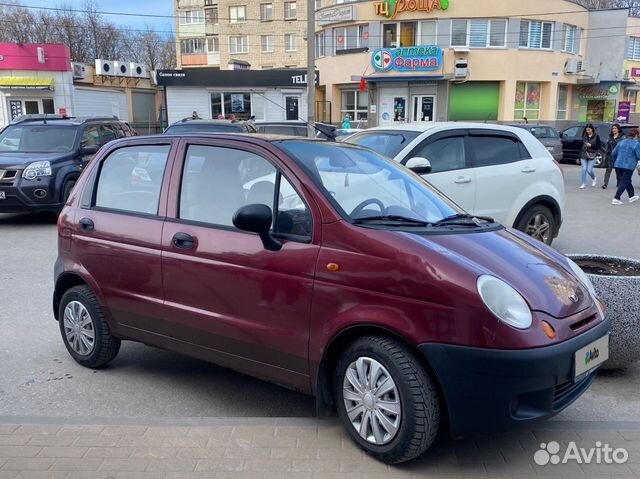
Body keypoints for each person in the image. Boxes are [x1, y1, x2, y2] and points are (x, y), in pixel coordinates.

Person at [611, 127, 640, 205]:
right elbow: (639, 156)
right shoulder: (636, 144)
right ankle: (616, 198)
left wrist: (616, 161)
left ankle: (631, 196)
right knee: (624, 182)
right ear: (636, 135)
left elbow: (613, 153)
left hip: (618, 165)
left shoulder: (621, 142)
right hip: (629, 166)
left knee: (627, 181)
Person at [602, 124, 625, 189]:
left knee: (618, 170)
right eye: (613, 128)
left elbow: (623, 147)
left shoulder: (622, 137)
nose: (614, 130)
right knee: (608, 169)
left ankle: (618, 183)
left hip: (618, 156)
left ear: (618, 129)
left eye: (615, 128)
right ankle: (605, 184)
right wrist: (605, 154)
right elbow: (607, 146)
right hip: (610, 155)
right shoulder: (610, 137)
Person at [579, 124, 601, 189]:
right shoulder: (584, 136)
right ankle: (583, 183)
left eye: (589, 130)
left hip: (592, 154)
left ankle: (594, 178)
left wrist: (591, 145)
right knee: (584, 169)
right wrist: (578, 157)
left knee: (589, 170)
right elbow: (580, 147)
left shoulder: (596, 136)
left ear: (592, 129)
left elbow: (599, 147)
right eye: (586, 130)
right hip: (583, 154)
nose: (588, 131)